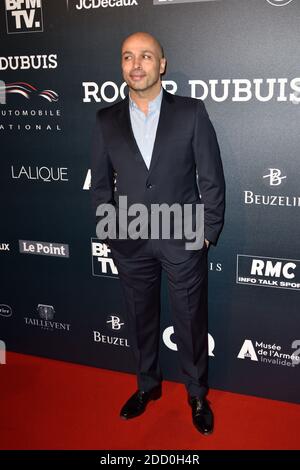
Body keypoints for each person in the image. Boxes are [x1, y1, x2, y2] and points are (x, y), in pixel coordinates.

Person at [91, 32, 225, 435]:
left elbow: (212, 179)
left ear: (161, 64)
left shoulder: (191, 112)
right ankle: (146, 386)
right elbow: (100, 186)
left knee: (189, 319)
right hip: (129, 239)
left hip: (183, 236)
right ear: (122, 65)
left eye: (145, 56)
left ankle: (197, 394)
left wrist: (206, 232)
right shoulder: (105, 119)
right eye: (128, 57)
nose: (136, 65)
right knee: (138, 319)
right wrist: (109, 230)